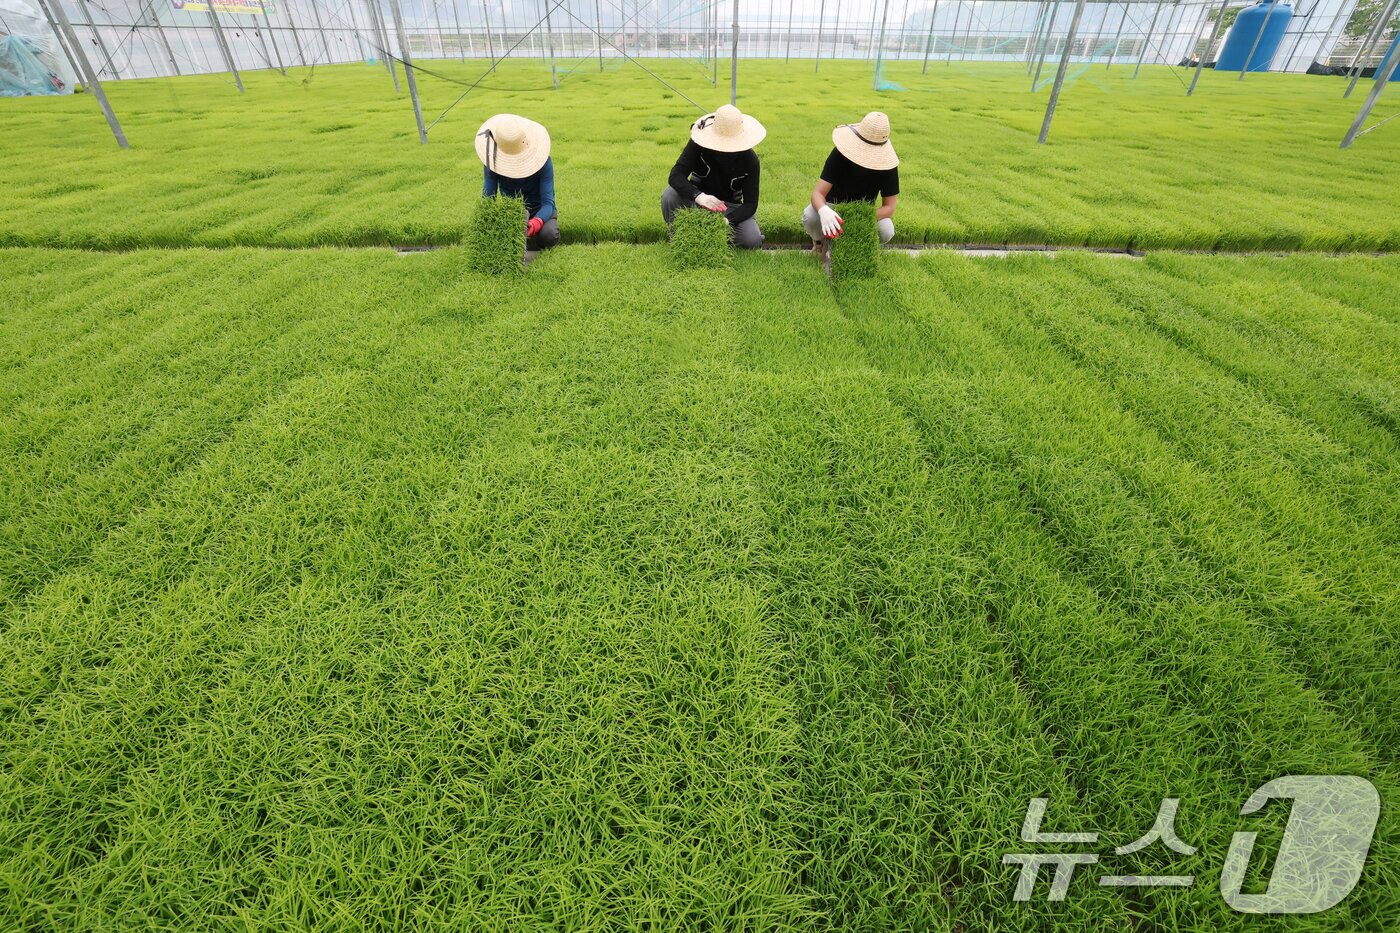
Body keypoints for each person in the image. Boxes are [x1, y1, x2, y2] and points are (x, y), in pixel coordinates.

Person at [661, 104, 765, 250]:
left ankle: (709, 237)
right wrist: (698, 196)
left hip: (728, 208)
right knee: (669, 194)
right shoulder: (698, 144)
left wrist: (728, 220)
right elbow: (676, 174)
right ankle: (682, 237)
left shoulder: (750, 161)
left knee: (751, 239)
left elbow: (751, 204)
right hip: (696, 202)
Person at [803, 112, 899, 256]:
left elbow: (889, 207)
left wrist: (858, 217)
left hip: (864, 211)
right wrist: (824, 211)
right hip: (833, 207)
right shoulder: (840, 153)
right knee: (810, 216)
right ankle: (819, 242)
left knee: (886, 229)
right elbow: (818, 194)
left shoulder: (888, 165)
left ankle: (860, 245)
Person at [475, 113, 559, 249]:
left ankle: (538, 243)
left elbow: (548, 203)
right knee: (499, 239)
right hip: (511, 210)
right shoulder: (492, 162)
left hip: (539, 209)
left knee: (549, 235)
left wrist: (536, 222)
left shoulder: (543, 162)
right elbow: (488, 201)